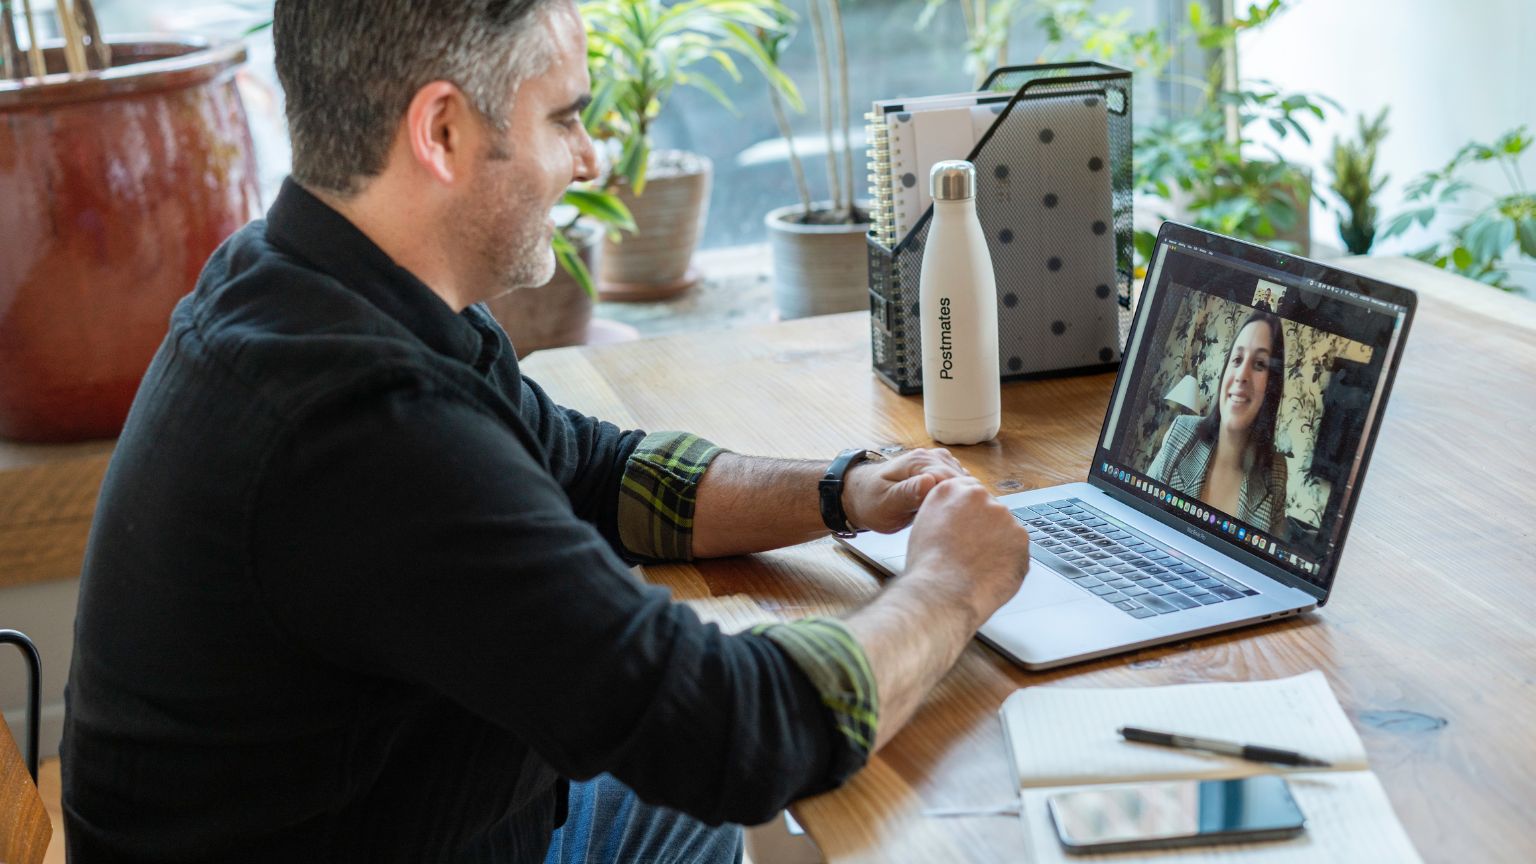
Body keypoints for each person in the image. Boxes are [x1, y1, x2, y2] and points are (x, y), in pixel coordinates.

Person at [59, 1, 1033, 862]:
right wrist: (953, 582)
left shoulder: (317, 282)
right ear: (442, 129)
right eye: (565, 115)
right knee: (879, 818)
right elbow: (739, 734)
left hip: (429, 818)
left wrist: (842, 490)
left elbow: (594, 473)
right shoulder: (362, 429)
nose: (591, 157)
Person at [1147, 309, 1289, 535]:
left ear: (1271, 386)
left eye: (1260, 364)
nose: (1242, 375)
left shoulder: (1276, 472)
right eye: (1237, 359)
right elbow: (1139, 513)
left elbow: (1266, 562)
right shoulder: (1181, 432)